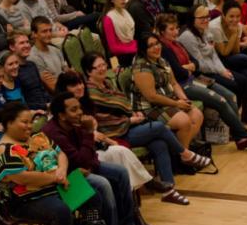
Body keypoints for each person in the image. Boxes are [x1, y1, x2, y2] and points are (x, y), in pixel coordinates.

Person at [81, 53, 208, 206]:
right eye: (98, 67)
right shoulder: (90, 91)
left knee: (159, 143)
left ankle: (169, 190)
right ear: (89, 72)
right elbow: (104, 118)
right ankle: (185, 154)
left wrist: (132, 114)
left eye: (104, 65)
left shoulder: (108, 83)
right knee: (159, 127)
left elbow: (122, 105)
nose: (103, 68)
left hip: (126, 126)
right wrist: (129, 119)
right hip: (112, 133)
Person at [43, 92, 149, 225]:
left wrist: (89, 164)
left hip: (84, 168)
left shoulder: (75, 124)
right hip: (65, 178)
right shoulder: (54, 132)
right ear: (61, 115)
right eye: (73, 110)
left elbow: (89, 156)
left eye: (79, 108)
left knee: (120, 172)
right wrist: (88, 132)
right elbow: (78, 159)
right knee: (103, 184)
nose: (80, 112)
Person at [0, 102, 95, 225]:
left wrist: (62, 172)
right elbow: (22, 178)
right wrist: (55, 178)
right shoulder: (3, 150)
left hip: (53, 187)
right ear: (9, 123)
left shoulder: (37, 137)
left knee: (91, 195)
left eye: (30, 121)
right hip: (24, 200)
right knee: (61, 211)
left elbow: (61, 153)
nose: (29, 126)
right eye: (24, 122)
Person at [54, 70, 153, 225]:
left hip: (90, 156)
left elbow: (83, 150)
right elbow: (78, 157)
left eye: (80, 82)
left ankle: (127, 224)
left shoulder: (83, 105)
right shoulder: (59, 121)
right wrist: (90, 136)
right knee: (104, 183)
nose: (79, 87)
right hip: (75, 172)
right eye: (73, 85)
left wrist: (97, 143)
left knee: (121, 161)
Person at [154, 13, 247, 150]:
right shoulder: (164, 48)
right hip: (183, 85)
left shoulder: (177, 43)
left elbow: (195, 63)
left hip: (194, 78)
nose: (176, 32)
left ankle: (240, 136)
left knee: (230, 95)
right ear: (162, 31)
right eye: (171, 29)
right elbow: (178, 72)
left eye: (176, 28)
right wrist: (189, 68)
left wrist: (189, 67)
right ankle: (245, 136)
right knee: (220, 101)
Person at [178, 4, 247, 124]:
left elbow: (214, 55)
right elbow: (200, 63)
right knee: (234, 85)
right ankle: (231, 120)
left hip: (214, 69)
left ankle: (243, 113)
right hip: (199, 74)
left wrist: (223, 71)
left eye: (207, 17)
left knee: (244, 79)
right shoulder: (188, 36)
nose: (205, 20)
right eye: (201, 18)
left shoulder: (205, 31)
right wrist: (219, 72)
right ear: (192, 19)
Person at [7, 32, 52, 111]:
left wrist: (50, 102)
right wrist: (44, 106)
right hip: (32, 111)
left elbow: (41, 89)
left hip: (46, 106)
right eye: (22, 43)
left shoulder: (32, 65)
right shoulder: (13, 71)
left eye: (27, 42)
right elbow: (22, 100)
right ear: (12, 47)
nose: (27, 45)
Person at [26, 16, 67, 93]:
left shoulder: (56, 49)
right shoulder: (33, 57)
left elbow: (67, 71)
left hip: (65, 87)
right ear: (34, 34)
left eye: (50, 30)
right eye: (44, 31)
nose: (49, 34)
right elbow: (52, 86)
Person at [101, 0, 137, 67]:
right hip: (118, 57)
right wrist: (135, 49)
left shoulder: (125, 12)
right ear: (112, 0)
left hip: (131, 48)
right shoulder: (108, 18)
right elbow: (113, 48)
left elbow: (131, 38)